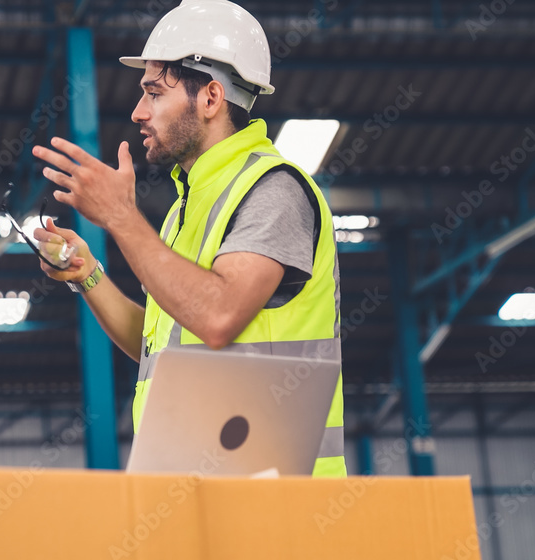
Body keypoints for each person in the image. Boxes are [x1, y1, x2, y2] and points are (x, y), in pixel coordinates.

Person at [31, 0, 346, 476]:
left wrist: (120, 215)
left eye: (154, 92)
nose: (138, 111)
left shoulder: (272, 190)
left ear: (211, 98)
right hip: (203, 490)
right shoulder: (186, 207)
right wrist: (88, 275)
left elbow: (218, 316)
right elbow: (159, 348)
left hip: (280, 502)